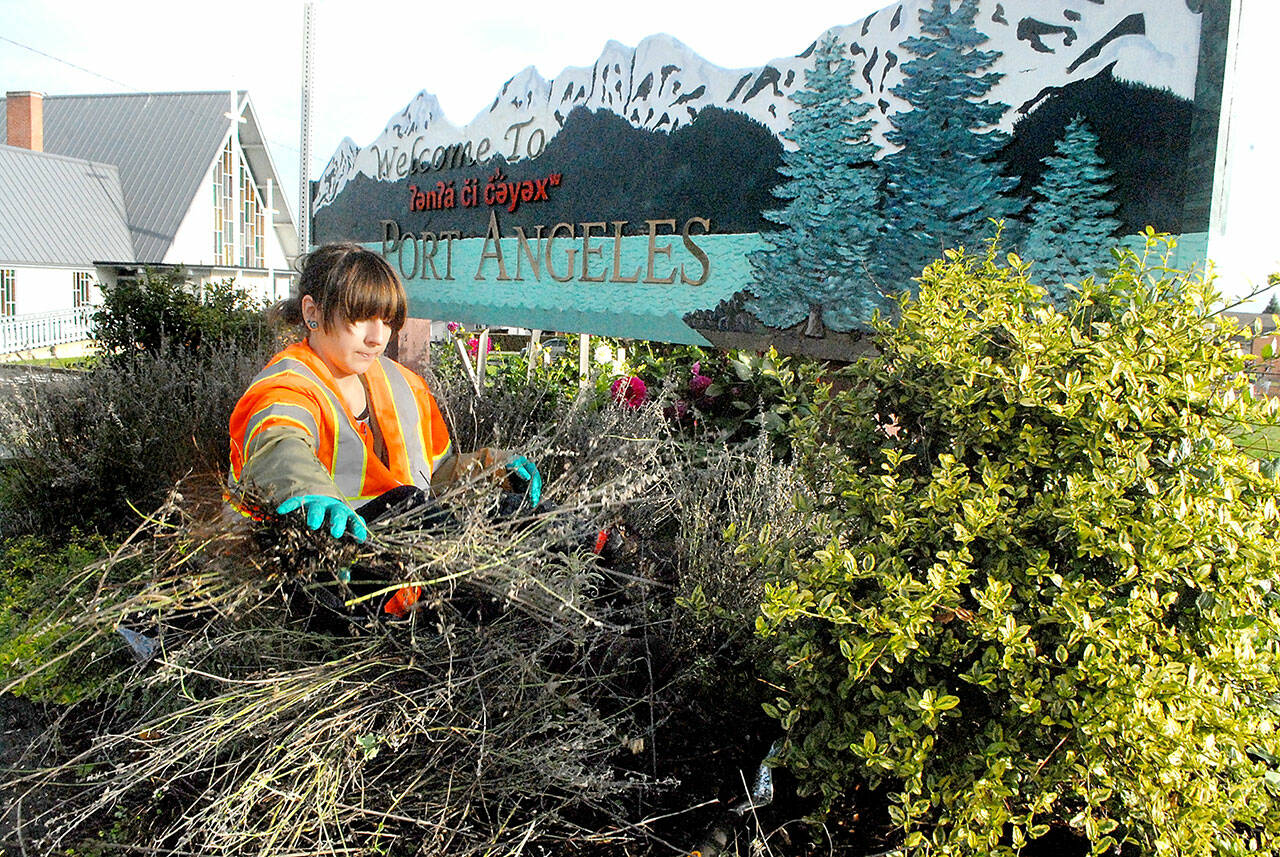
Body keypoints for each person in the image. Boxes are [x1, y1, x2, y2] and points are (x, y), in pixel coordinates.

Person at [228, 242, 540, 616]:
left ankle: (593, 557)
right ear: (312, 312)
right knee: (409, 505)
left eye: (388, 320)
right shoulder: (287, 385)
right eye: (361, 318)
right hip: (327, 561)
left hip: (406, 550)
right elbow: (279, 443)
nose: (378, 337)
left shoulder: (403, 385)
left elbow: (435, 473)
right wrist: (308, 493)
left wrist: (492, 468)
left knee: (516, 510)